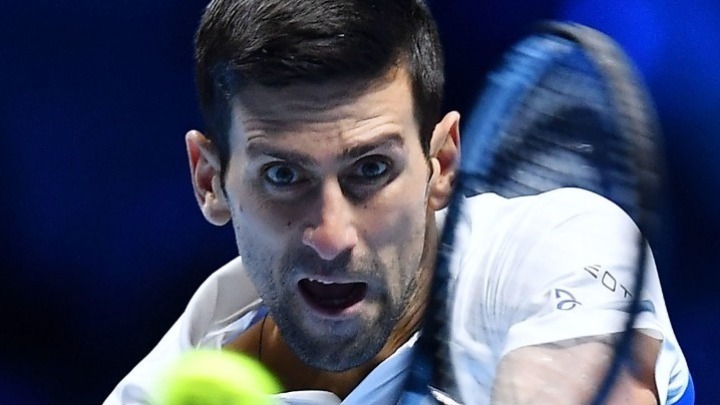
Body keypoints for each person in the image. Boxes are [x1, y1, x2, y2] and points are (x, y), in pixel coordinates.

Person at [105, 0, 692, 404]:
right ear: (210, 181)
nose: (331, 237)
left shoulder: (552, 247)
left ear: (442, 165)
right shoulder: (163, 388)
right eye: (283, 175)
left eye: (371, 169)